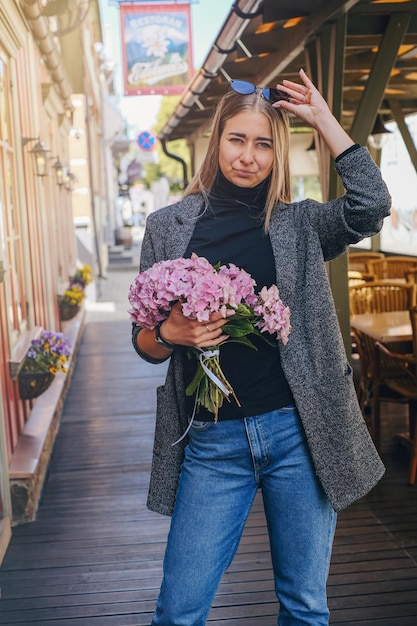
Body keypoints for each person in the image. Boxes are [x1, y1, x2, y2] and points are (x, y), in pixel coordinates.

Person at [131, 68, 391, 625]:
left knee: (304, 607)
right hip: (211, 442)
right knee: (177, 611)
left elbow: (371, 203)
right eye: (237, 139)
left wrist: (323, 122)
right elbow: (145, 341)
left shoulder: (299, 225)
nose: (248, 156)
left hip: (298, 435)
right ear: (215, 140)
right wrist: (169, 334)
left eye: (264, 144)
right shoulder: (167, 227)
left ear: (277, 155)